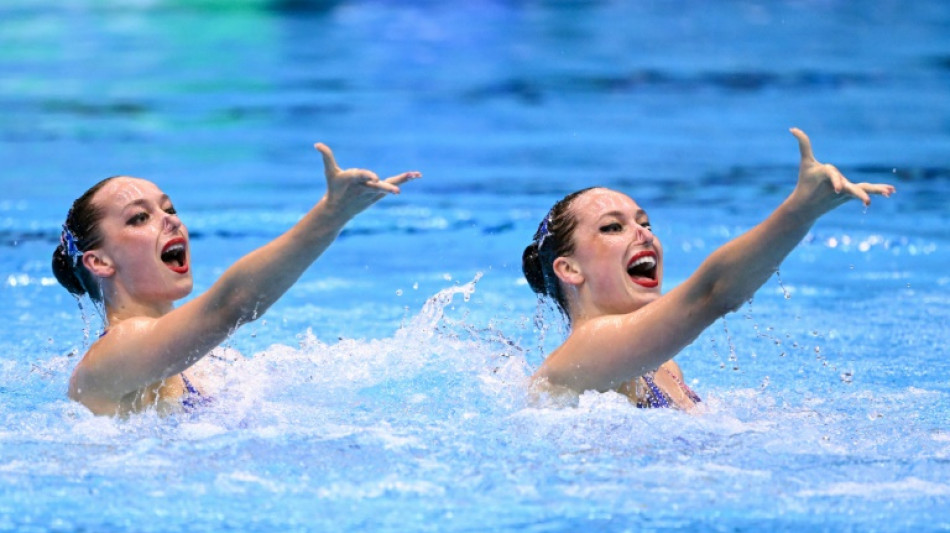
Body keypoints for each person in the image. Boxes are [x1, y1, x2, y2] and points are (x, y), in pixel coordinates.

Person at [522, 129, 895, 409]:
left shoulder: (662, 366)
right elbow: (711, 294)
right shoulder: (584, 351)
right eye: (612, 227)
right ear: (569, 268)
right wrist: (800, 210)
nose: (643, 234)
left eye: (646, 223)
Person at [52, 143, 420, 416]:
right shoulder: (112, 355)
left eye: (169, 208)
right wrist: (330, 215)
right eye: (138, 218)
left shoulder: (214, 363)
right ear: (99, 261)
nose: (170, 220)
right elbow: (232, 305)